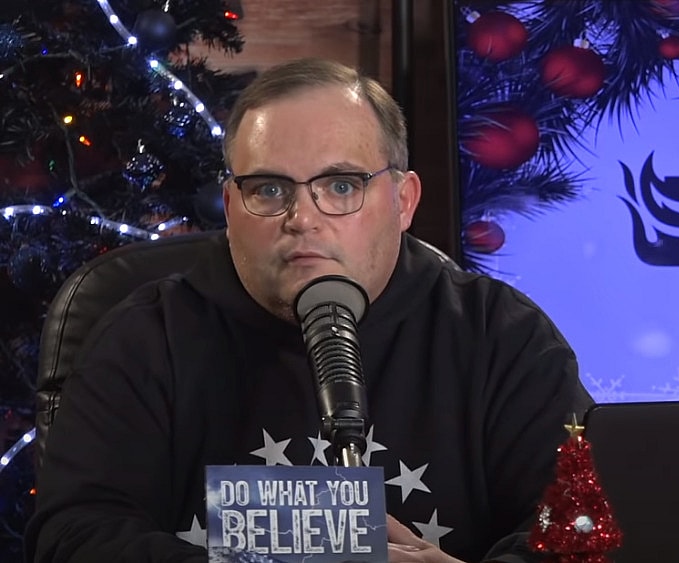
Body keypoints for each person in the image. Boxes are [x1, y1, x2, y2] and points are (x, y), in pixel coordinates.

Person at [25, 58, 594, 562]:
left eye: (341, 186)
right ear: (230, 206)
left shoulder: (502, 338)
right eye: (269, 189)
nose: (303, 218)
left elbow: (585, 532)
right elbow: (74, 537)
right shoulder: (147, 338)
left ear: (403, 201)